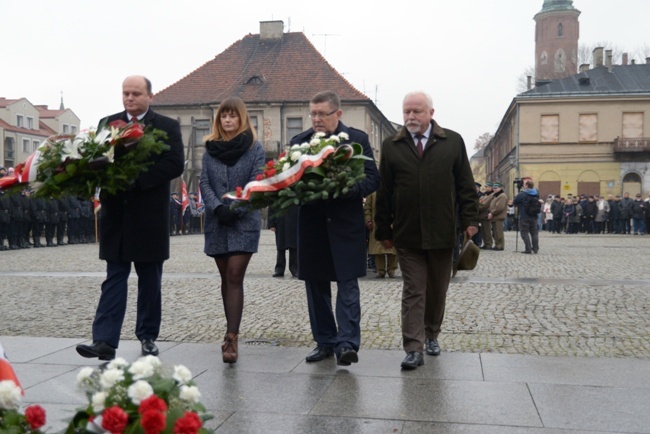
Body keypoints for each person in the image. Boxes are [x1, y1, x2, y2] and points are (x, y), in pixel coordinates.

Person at [76, 75, 184, 361]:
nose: (130, 98)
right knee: (114, 277)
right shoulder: (107, 124)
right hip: (117, 216)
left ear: (150, 96)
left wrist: (137, 180)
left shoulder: (166, 126)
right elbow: (95, 158)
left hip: (149, 216)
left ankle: (147, 336)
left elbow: (175, 163)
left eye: (136, 93)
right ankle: (104, 341)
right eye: (126, 93)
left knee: (149, 280)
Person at [374, 91, 478, 370]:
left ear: (431, 113)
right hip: (407, 233)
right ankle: (413, 347)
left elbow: (465, 185)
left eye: (417, 111)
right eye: (406, 111)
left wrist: (470, 219)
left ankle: (432, 334)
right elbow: (384, 192)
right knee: (413, 290)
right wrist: (383, 230)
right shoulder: (392, 145)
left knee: (437, 290)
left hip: (443, 232)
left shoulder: (452, 142)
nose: (410, 117)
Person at [291, 90, 379, 367]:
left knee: (348, 285)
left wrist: (350, 190)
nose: (316, 119)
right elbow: (288, 180)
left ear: (337, 114)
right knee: (316, 287)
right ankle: (325, 342)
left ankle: (347, 344)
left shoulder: (357, 140)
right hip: (312, 226)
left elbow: (373, 178)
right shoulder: (299, 142)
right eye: (313, 113)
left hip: (346, 225)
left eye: (322, 114)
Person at [200, 97, 264, 364]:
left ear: (241, 118)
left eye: (232, 116)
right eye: (223, 116)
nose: (227, 120)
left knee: (236, 275)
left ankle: (231, 338)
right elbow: (204, 182)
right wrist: (217, 208)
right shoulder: (209, 150)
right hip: (217, 222)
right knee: (226, 278)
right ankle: (230, 329)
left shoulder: (254, 148)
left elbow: (257, 180)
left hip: (244, 220)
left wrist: (235, 208)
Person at [364, 191, 398, 277]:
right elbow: (367, 208)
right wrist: (368, 220)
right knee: (378, 249)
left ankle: (392, 270)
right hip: (376, 224)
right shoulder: (372, 191)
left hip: (393, 222)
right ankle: (380, 270)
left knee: (393, 248)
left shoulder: (394, 186)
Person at [268, 205, 298, 278]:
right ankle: (279, 269)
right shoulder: (275, 194)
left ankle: (295, 269)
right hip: (280, 222)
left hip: (294, 222)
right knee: (280, 247)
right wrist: (271, 223)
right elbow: (272, 207)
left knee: (294, 247)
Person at [513, 179, 540, 253]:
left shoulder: (522, 194)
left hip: (524, 216)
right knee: (534, 232)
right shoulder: (536, 192)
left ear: (527, 185)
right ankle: (535, 248)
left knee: (524, 232)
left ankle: (528, 249)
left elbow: (515, 201)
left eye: (524, 184)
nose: (522, 185)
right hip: (533, 215)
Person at [487, 182, 507, 250]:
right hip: (495, 217)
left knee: (499, 233)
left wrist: (492, 213)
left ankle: (500, 245)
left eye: (496, 188)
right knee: (495, 233)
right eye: (494, 188)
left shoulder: (502, 196)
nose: (494, 189)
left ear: (500, 188)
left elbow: (499, 207)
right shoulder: (496, 195)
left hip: (498, 217)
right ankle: (497, 245)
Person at [478, 182, 494, 249]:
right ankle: (485, 243)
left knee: (487, 230)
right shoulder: (485, 195)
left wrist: (479, 207)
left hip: (486, 213)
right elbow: (480, 201)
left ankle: (488, 244)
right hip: (482, 214)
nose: (485, 188)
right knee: (483, 230)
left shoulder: (492, 195)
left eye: (487, 187)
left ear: (491, 187)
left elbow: (485, 204)